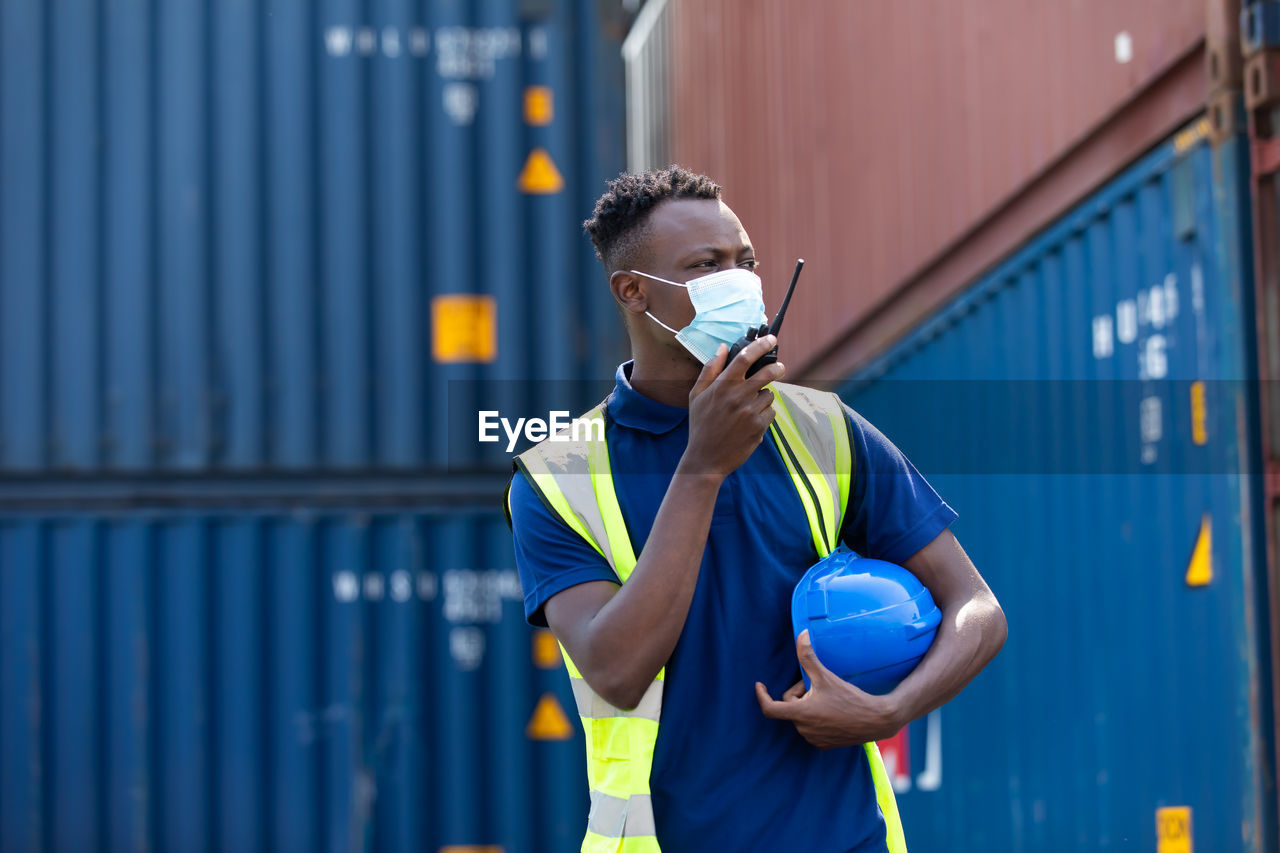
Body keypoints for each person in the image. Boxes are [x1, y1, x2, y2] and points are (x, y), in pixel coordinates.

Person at [506, 166, 1006, 852]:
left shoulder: (825, 429)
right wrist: (703, 463)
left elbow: (977, 606)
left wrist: (889, 709)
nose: (740, 282)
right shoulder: (556, 478)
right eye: (707, 265)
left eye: (746, 262)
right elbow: (616, 671)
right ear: (634, 293)